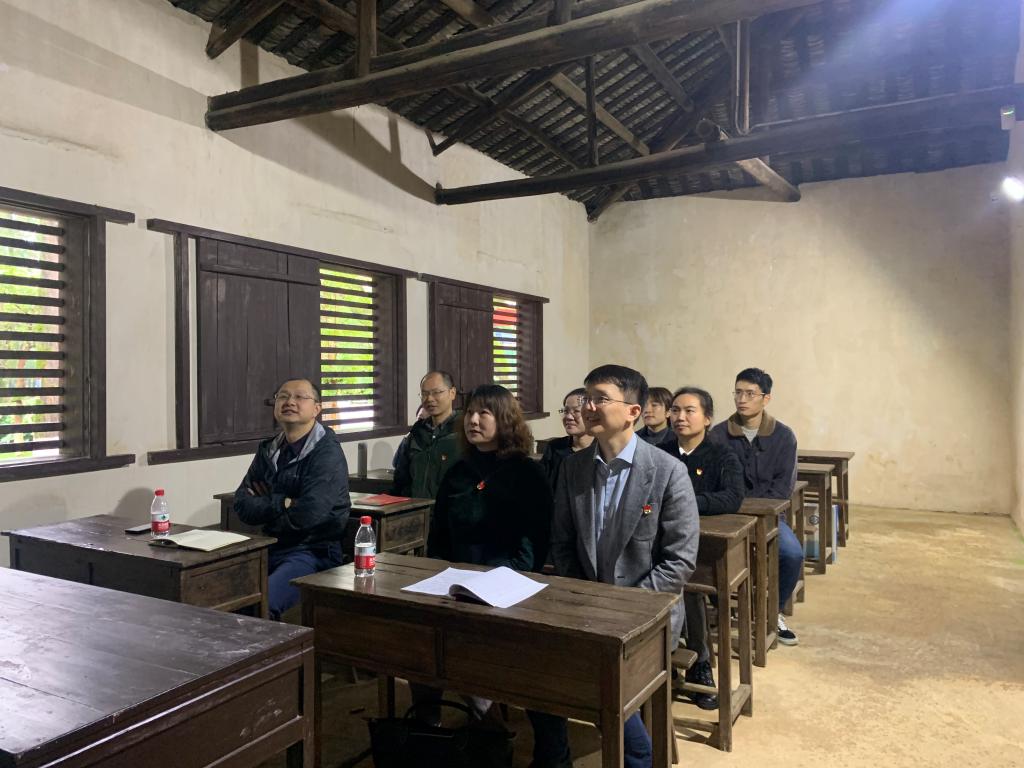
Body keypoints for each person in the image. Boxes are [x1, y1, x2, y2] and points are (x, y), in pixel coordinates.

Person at [550, 365, 699, 768]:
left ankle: (638, 754)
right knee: (535, 668)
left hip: (646, 618)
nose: (588, 407)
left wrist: (621, 608)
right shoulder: (573, 467)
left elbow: (679, 562)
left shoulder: (667, 471)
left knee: (600, 683)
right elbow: (562, 545)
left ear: (633, 411)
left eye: (600, 398)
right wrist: (585, 601)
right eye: (586, 398)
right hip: (584, 610)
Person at [417, 385, 562, 766]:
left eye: (485, 413)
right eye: (469, 413)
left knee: (525, 666)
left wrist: (496, 582)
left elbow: (533, 546)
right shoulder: (458, 472)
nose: (473, 420)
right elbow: (439, 536)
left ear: (506, 420)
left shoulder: (527, 473)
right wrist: (440, 574)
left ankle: (544, 748)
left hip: (511, 586)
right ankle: (431, 732)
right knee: (422, 645)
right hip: (455, 585)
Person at [234, 377, 350, 620]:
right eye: (283, 396)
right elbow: (242, 504)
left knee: (262, 605)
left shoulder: (326, 452)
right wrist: (284, 502)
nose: (290, 402)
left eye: (300, 397)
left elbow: (309, 514)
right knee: (221, 596)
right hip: (269, 546)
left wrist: (268, 506)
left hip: (313, 551)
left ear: (317, 409)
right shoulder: (268, 449)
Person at [660, 386, 745, 710]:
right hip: (661, 537)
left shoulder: (722, 455)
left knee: (689, 587)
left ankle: (701, 662)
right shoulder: (660, 452)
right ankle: (656, 660)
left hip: (701, 541)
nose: (680, 417)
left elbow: (732, 498)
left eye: (689, 411)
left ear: (707, 418)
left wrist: (685, 502)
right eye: (675, 410)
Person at [709, 367, 803, 646]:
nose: (742, 399)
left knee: (792, 554)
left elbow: (782, 489)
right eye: (738, 392)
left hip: (768, 518)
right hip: (727, 516)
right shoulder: (718, 435)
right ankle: (719, 610)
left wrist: (757, 513)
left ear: (766, 398)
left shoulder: (783, 436)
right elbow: (715, 482)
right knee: (705, 553)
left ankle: (773, 612)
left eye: (750, 393)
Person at [392, 371, 459, 499]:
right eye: (425, 394)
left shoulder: (463, 431)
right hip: (415, 508)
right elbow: (400, 480)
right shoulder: (416, 433)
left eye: (436, 392)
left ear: (452, 393)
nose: (429, 399)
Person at [539, 387, 594, 490]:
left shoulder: (601, 450)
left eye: (576, 411)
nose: (568, 417)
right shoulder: (555, 447)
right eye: (565, 411)